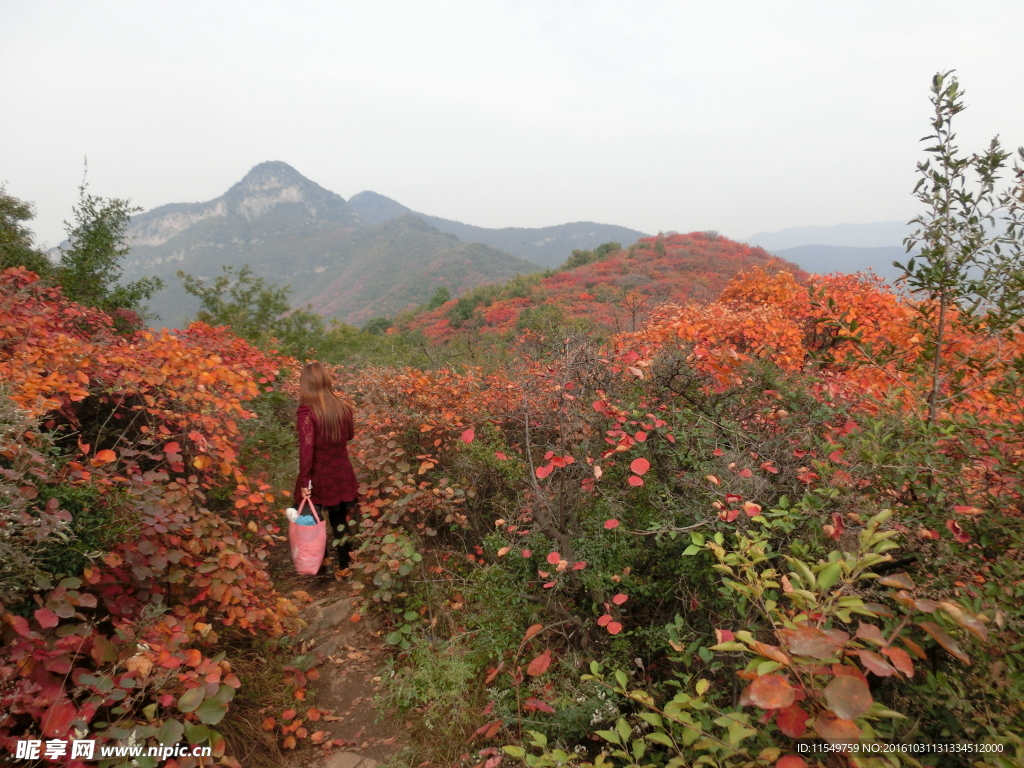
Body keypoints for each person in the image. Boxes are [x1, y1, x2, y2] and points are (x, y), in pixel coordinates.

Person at [294, 361, 359, 576]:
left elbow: (306, 450)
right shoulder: (343, 408)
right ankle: (345, 565)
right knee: (339, 519)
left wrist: (304, 481)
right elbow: (349, 436)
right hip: (341, 471)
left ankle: (322, 563)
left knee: (308, 517)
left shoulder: (307, 413)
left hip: (318, 474)